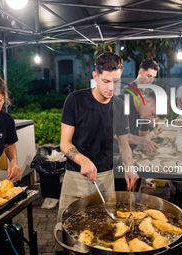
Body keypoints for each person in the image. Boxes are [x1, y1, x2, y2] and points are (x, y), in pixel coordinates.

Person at [58, 52, 137, 225]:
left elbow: (124, 146)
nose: (111, 87)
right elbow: (64, 143)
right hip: (76, 176)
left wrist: (129, 166)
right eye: (106, 81)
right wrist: (82, 160)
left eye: (116, 82)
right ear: (95, 76)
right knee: (71, 232)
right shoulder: (75, 100)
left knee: (105, 231)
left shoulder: (120, 106)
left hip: (106, 177)